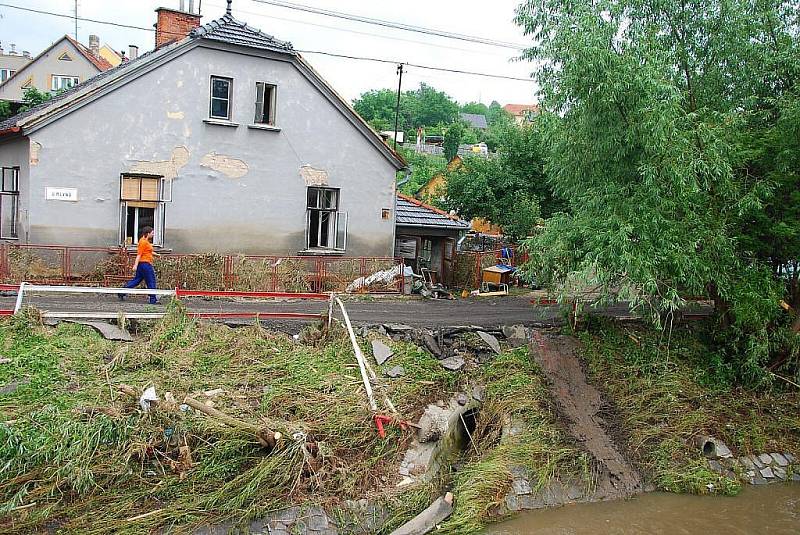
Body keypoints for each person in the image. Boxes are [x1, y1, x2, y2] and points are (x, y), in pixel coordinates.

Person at [120, 226, 159, 304]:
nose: (153, 234)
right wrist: (135, 265)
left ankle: (122, 292)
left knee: (137, 280)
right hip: (145, 264)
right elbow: (139, 254)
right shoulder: (143, 242)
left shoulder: (144, 241)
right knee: (151, 281)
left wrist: (156, 254)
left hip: (143, 265)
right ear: (148, 233)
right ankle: (153, 299)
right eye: (152, 233)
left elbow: (147, 251)